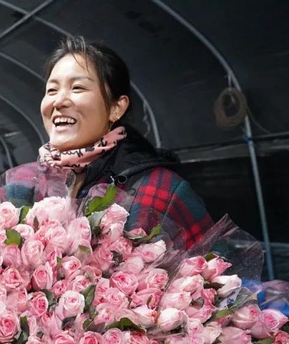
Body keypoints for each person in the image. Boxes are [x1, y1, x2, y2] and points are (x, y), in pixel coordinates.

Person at [38, 35, 213, 248]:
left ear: (116, 108)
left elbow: (217, 274)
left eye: (77, 88)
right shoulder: (21, 186)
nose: (59, 101)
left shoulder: (161, 190)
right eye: (52, 90)